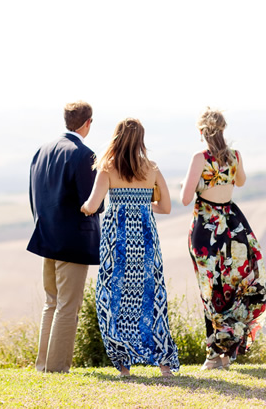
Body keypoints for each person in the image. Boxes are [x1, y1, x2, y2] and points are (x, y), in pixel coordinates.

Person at [81, 118, 180, 377]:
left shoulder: (107, 168)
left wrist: (81, 208)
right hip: (146, 242)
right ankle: (164, 366)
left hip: (118, 243)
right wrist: (142, 207)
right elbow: (167, 208)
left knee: (113, 299)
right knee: (151, 296)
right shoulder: (153, 168)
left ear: (117, 138)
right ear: (141, 140)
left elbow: (92, 205)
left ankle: (124, 367)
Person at [180, 107, 266, 370]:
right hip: (233, 229)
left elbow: (185, 198)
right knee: (230, 290)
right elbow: (240, 182)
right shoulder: (235, 156)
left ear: (201, 131)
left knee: (210, 291)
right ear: (223, 128)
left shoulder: (199, 158)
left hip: (207, 231)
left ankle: (213, 355)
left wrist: (201, 183)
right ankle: (226, 355)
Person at [27, 101, 99, 373]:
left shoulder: (42, 150)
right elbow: (91, 203)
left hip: (47, 237)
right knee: (69, 306)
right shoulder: (84, 155)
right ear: (88, 123)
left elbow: (34, 195)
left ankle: (43, 365)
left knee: (51, 303)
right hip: (73, 241)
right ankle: (57, 369)